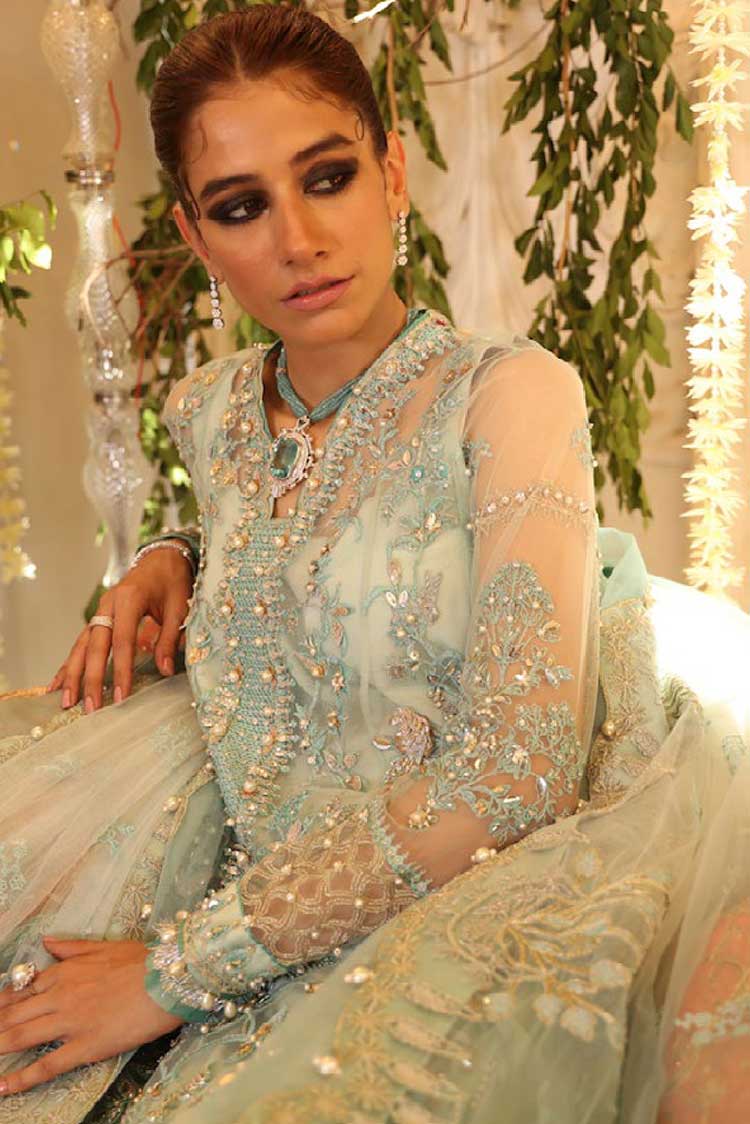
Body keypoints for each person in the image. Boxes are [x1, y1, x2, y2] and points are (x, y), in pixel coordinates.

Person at [0, 7, 748, 1122]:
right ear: (197, 237)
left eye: (329, 177)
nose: (298, 238)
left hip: (460, 881)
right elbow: (297, 541)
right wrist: (173, 552)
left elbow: (519, 769)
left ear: (392, 172)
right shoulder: (207, 408)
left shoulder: (512, 394)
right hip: (234, 850)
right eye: (241, 206)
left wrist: (176, 973)